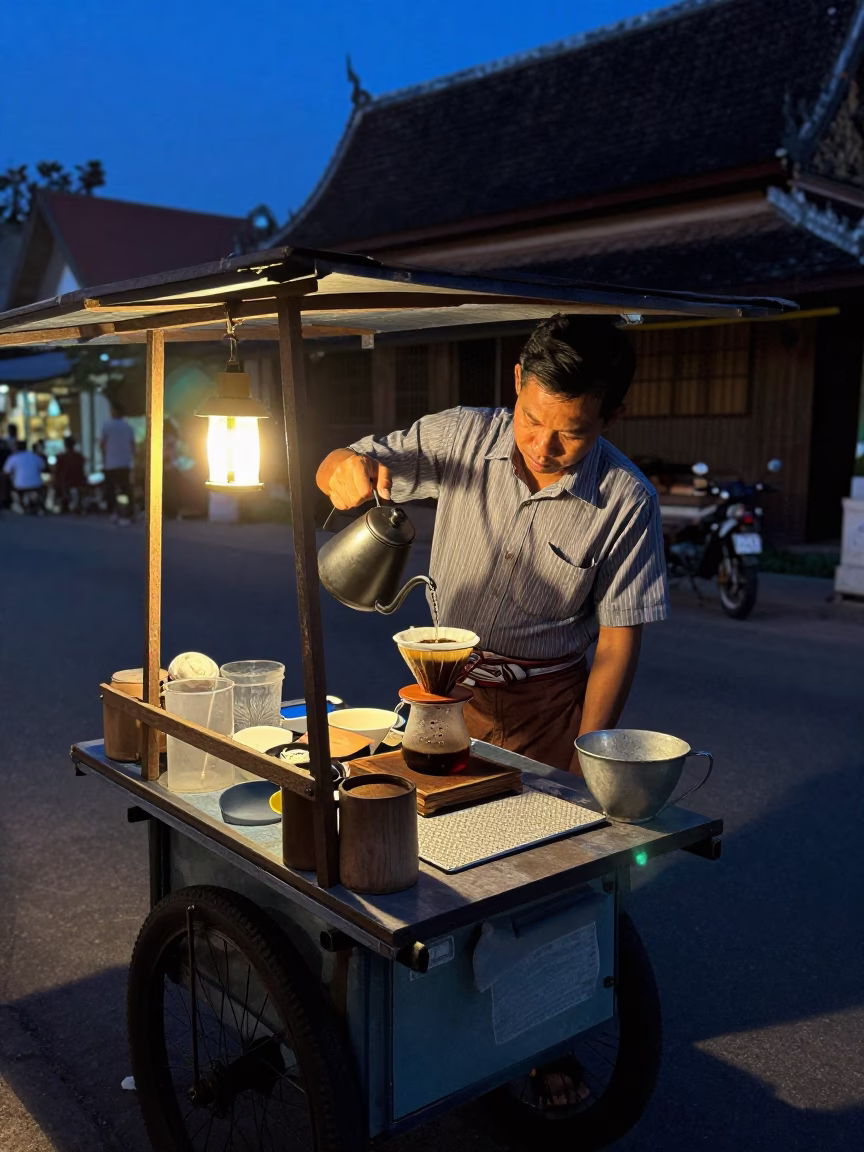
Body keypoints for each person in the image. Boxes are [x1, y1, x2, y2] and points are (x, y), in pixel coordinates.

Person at [317, 314, 668, 775]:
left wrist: (586, 757)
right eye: (531, 419)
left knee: (540, 838)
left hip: (548, 709)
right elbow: (336, 464)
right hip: (443, 687)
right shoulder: (461, 435)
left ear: (612, 417)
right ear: (518, 379)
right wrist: (342, 467)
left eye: (572, 433)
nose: (543, 447)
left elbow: (617, 642)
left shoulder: (627, 500)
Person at [100, 401, 136, 523]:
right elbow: (133, 445)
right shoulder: (128, 427)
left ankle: (113, 511)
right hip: (125, 462)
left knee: (111, 489)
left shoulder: (107, 426)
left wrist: (104, 457)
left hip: (111, 463)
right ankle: (130, 512)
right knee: (126, 488)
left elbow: (102, 444)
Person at [3, 440, 46, 514]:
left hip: (19, 485)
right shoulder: (35, 456)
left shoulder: (13, 458)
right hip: (36, 484)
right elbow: (43, 467)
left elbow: (6, 472)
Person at [53, 434, 88, 513]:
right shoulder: (78, 456)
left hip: (66, 481)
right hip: (77, 480)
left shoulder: (61, 457)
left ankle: (62, 503)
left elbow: (57, 471)